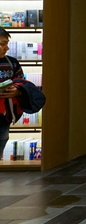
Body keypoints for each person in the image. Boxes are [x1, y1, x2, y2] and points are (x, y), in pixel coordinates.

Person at [0, 28, 45, 161]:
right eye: (2, 44)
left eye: (7, 44)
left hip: (4, 117)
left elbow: (21, 81)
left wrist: (18, 91)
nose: (7, 48)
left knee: (2, 141)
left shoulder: (12, 62)